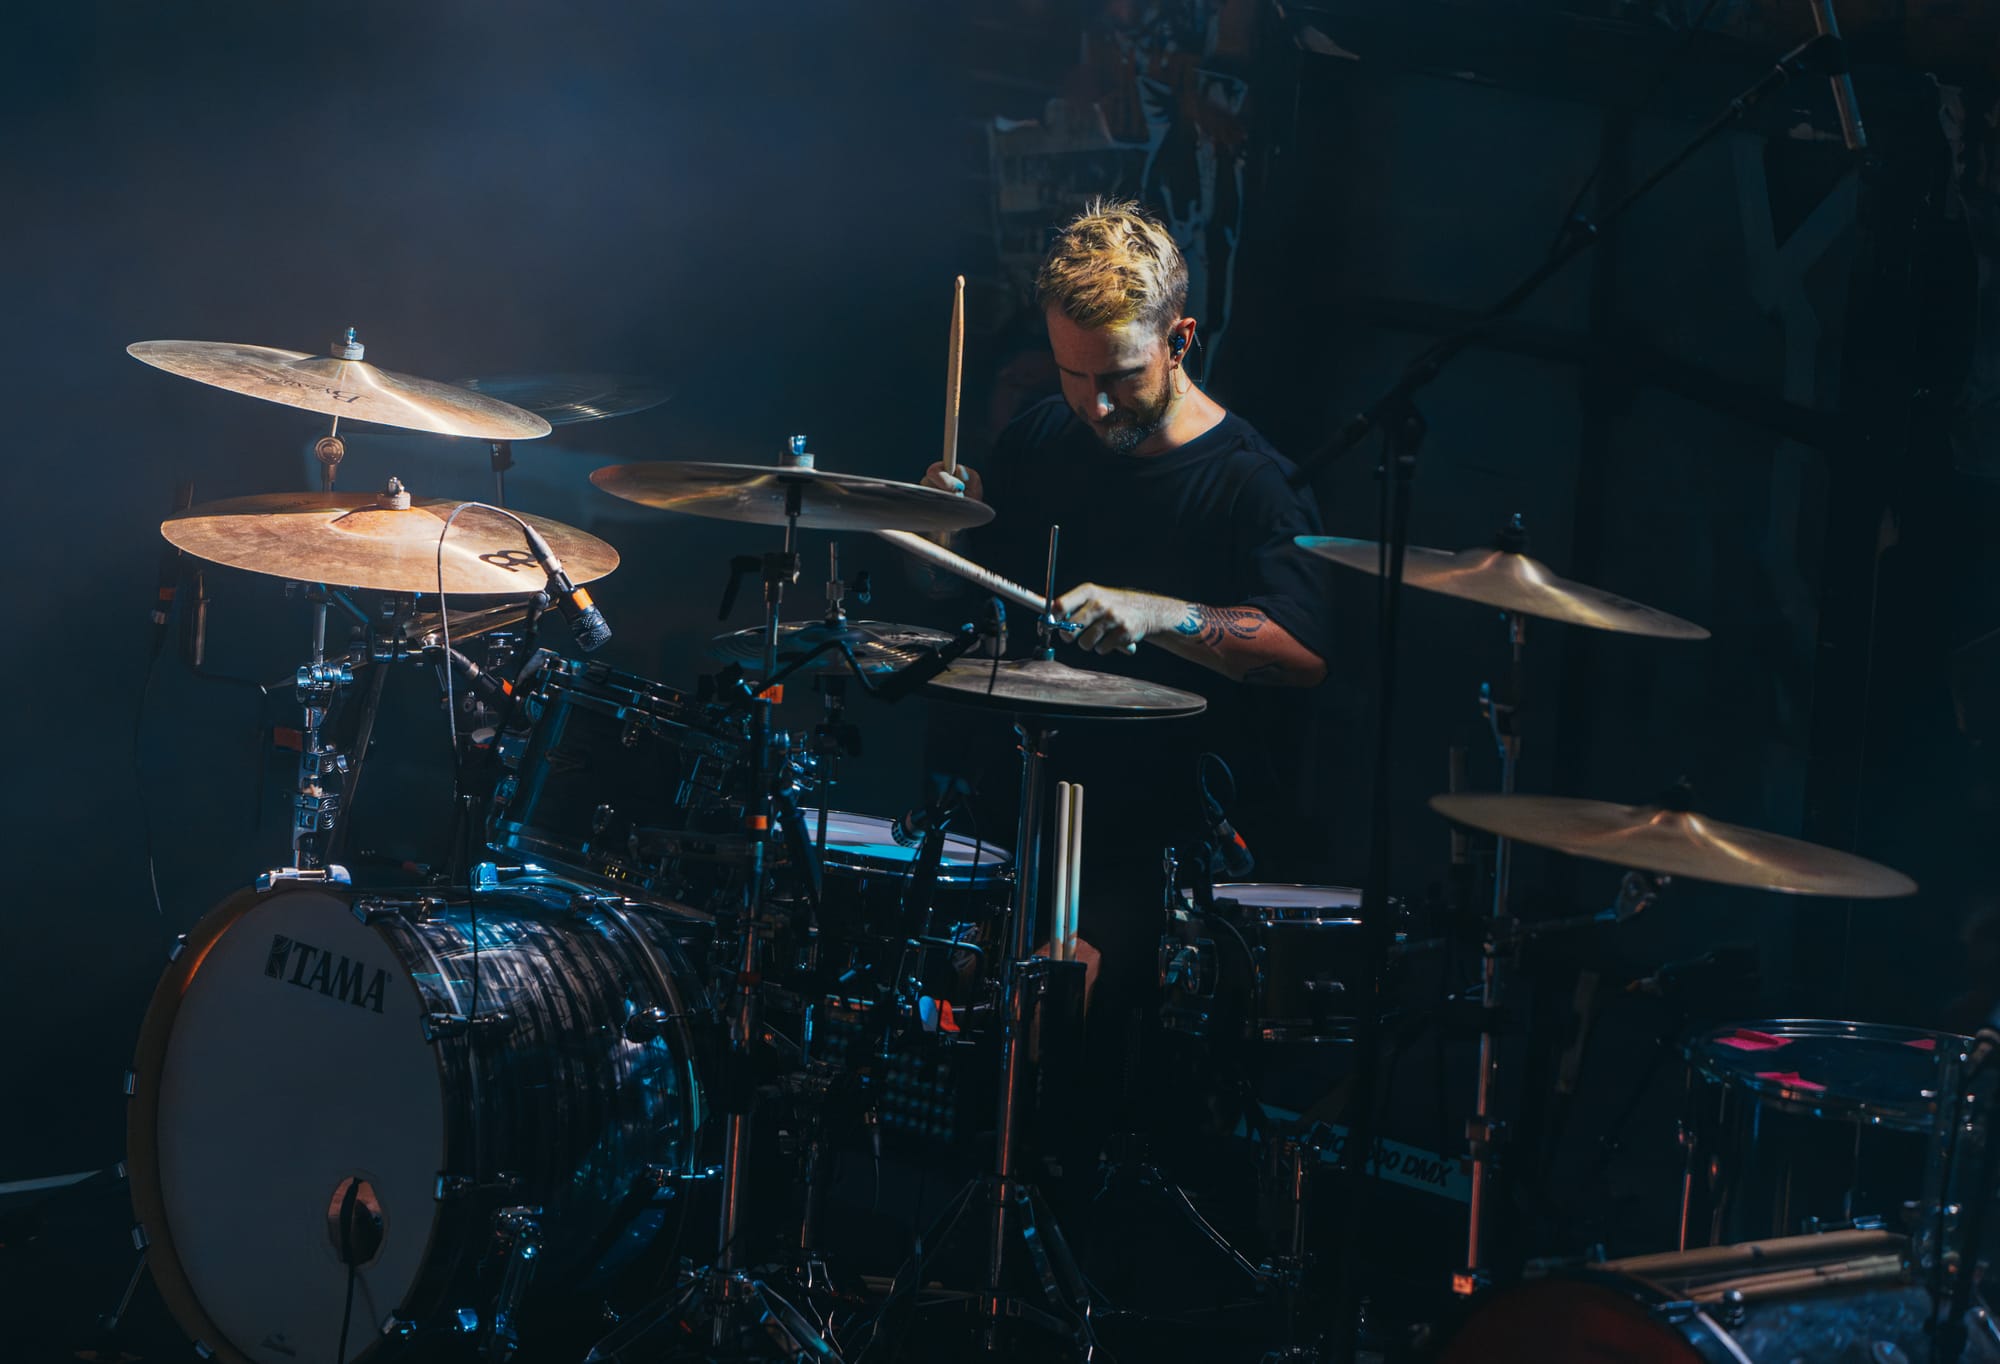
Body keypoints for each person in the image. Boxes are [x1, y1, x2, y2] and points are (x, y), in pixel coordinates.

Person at [907, 199, 1337, 1139]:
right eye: (1075, 377)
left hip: (1154, 848)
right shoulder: (1038, 441)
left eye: (1120, 379)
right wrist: (947, 536)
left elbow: (1301, 653)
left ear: (1181, 339)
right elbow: (963, 603)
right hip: (1013, 815)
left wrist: (1163, 614)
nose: (1096, 406)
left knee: (1064, 1068)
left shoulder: (1253, 483)